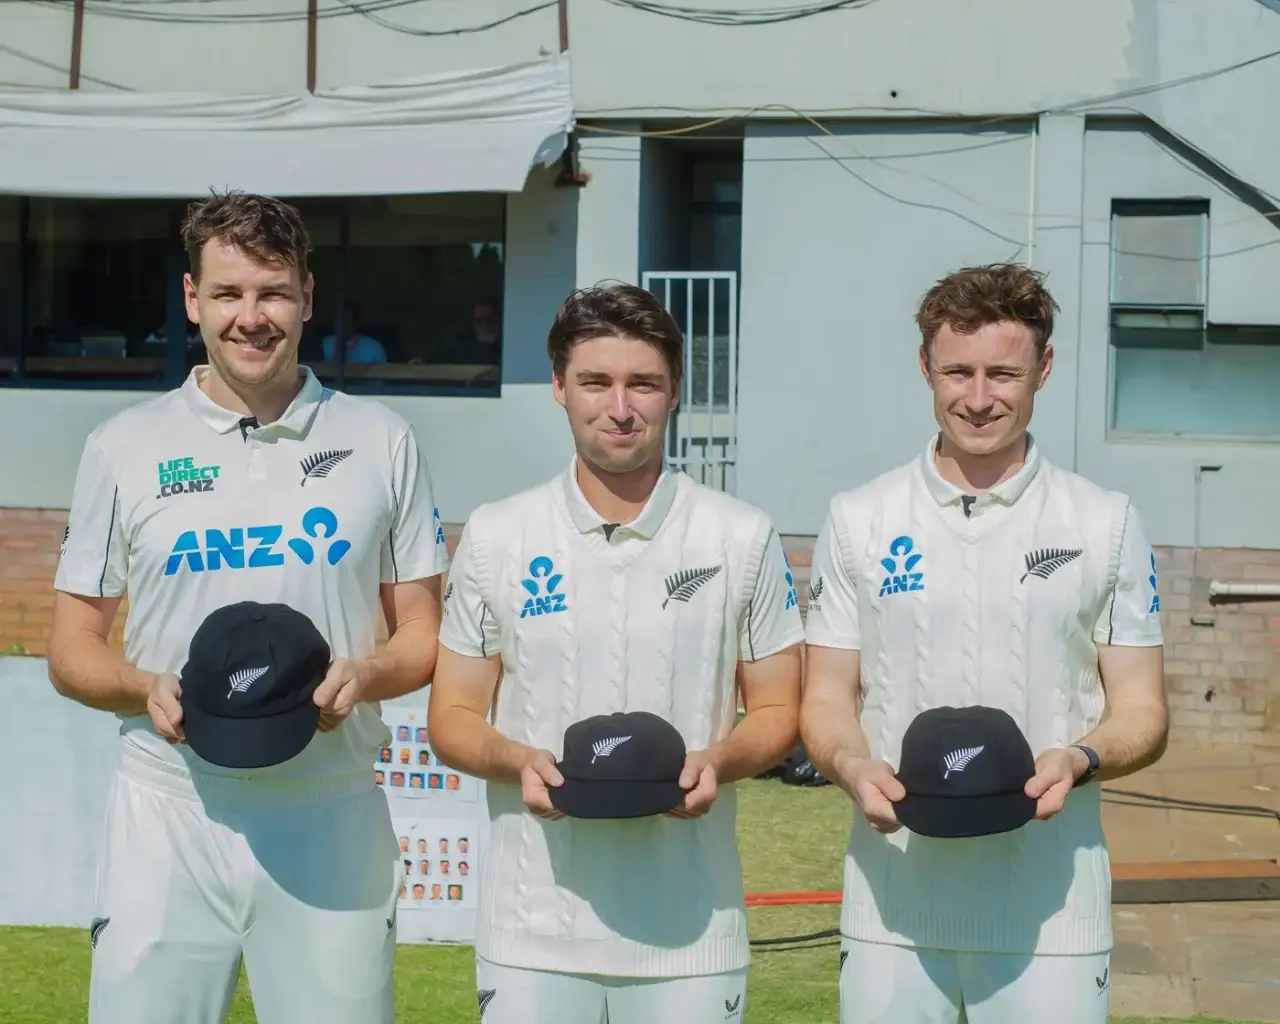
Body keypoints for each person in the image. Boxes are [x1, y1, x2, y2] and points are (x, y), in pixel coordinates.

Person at [47, 190, 449, 1024]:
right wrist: (140, 685)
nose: (251, 317)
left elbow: (422, 636)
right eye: (227, 294)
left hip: (329, 806)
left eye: (271, 292)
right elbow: (72, 650)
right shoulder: (124, 446)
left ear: (306, 294)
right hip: (169, 811)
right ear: (193, 300)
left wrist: (367, 673)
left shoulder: (381, 440)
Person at [799, 263, 1168, 1024]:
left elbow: (1144, 710)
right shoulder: (859, 517)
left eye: (1003, 373)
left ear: (1045, 368)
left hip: (1050, 908)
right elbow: (828, 697)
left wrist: (1082, 757)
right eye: (956, 372)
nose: (977, 398)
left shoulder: (1105, 521)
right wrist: (851, 764)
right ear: (924, 368)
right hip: (892, 905)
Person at [427, 282, 805, 1023]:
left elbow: (778, 708)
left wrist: (718, 762)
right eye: (597, 382)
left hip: (691, 932)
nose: (621, 407)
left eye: (644, 384)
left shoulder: (740, 535)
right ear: (560, 387)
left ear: (674, 394)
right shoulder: (499, 536)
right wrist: (517, 761)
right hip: (533, 928)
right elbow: (454, 715)